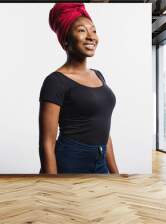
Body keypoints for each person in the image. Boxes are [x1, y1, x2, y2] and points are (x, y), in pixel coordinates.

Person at [38, 3, 119, 174]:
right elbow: (47, 143)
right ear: (66, 40)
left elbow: (104, 130)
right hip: (70, 160)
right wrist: (51, 184)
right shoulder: (55, 81)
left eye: (94, 30)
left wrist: (115, 174)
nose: (91, 36)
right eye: (82, 30)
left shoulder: (99, 75)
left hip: (100, 158)